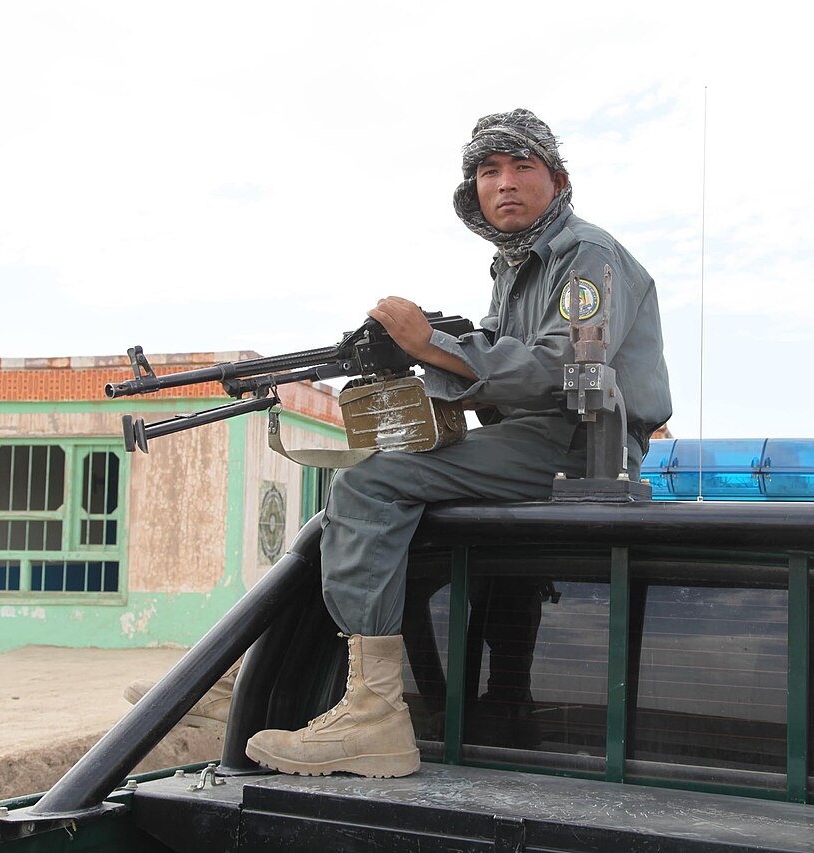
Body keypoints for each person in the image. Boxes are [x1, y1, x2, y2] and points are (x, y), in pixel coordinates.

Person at [241, 108, 672, 778]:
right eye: (488, 171)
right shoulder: (516, 266)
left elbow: (561, 370)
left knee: (369, 481)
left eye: (521, 166)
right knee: (385, 470)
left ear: (558, 180)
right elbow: (496, 373)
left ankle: (374, 713)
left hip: (584, 447)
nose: (503, 182)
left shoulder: (587, 255)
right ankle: (488, 700)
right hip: (542, 437)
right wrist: (405, 363)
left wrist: (431, 343)